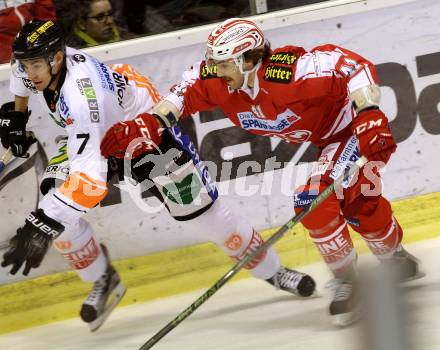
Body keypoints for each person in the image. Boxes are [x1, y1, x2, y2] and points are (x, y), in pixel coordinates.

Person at [101, 18, 423, 326]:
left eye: (225, 63)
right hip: (325, 142)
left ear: (250, 60)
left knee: (319, 201)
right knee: (356, 205)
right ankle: (387, 261)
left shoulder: (289, 73)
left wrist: (368, 112)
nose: (217, 70)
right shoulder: (218, 81)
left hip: (350, 131)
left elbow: (352, 66)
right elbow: (183, 93)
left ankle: (369, 270)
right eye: (215, 62)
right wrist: (151, 122)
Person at [0, 19, 316, 331]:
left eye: (35, 66)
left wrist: (39, 226)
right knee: (54, 202)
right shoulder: (40, 62)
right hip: (100, 137)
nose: (29, 73)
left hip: (147, 139)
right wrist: (17, 113)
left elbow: (92, 179)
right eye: (25, 65)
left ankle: (272, 270)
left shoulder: (81, 98)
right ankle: (103, 277)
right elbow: (20, 76)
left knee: (206, 215)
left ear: (57, 58)